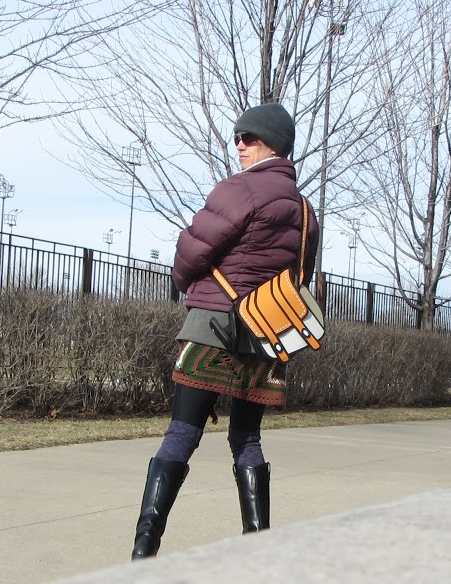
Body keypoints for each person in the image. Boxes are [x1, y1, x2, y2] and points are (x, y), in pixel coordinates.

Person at [131, 102, 318, 559]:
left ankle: (144, 553)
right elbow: (302, 275)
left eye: (249, 138)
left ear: (272, 143)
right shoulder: (307, 211)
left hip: (213, 325)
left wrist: (184, 284)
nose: (239, 145)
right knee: (247, 438)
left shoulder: (240, 190)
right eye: (237, 136)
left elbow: (193, 249)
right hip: (267, 337)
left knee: (182, 430)